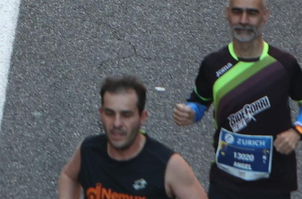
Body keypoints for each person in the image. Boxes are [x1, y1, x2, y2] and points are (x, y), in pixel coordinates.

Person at [171, 0, 302, 198]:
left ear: (265, 16)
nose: (243, 20)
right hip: (226, 184)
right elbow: (200, 102)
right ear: (227, 14)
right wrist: (190, 112)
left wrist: (298, 131)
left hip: (273, 185)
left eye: (252, 13)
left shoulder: (284, 65)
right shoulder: (213, 64)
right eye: (237, 11)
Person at [58, 77, 208, 199]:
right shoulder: (88, 151)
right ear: (101, 113)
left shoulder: (169, 165)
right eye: (110, 113)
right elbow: (69, 176)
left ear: (142, 117)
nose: (116, 123)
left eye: (126, 115)